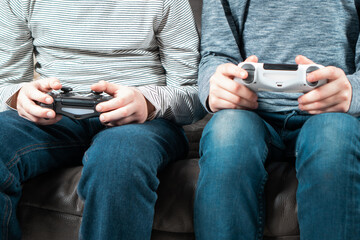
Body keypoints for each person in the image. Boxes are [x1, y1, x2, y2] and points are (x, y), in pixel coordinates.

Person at [0, 0, 206, 239]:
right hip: (53, 117)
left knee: (118, 160)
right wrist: (19, 96)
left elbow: (194, 93)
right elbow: (5, 84)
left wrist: (147, 102)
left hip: (142, 120)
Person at [195, 1, 360, 239]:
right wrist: (214, 86)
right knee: (226, 135)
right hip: (248, 114)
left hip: (332, 114)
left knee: (333, 140)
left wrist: (352, 92)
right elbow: (215, 53)